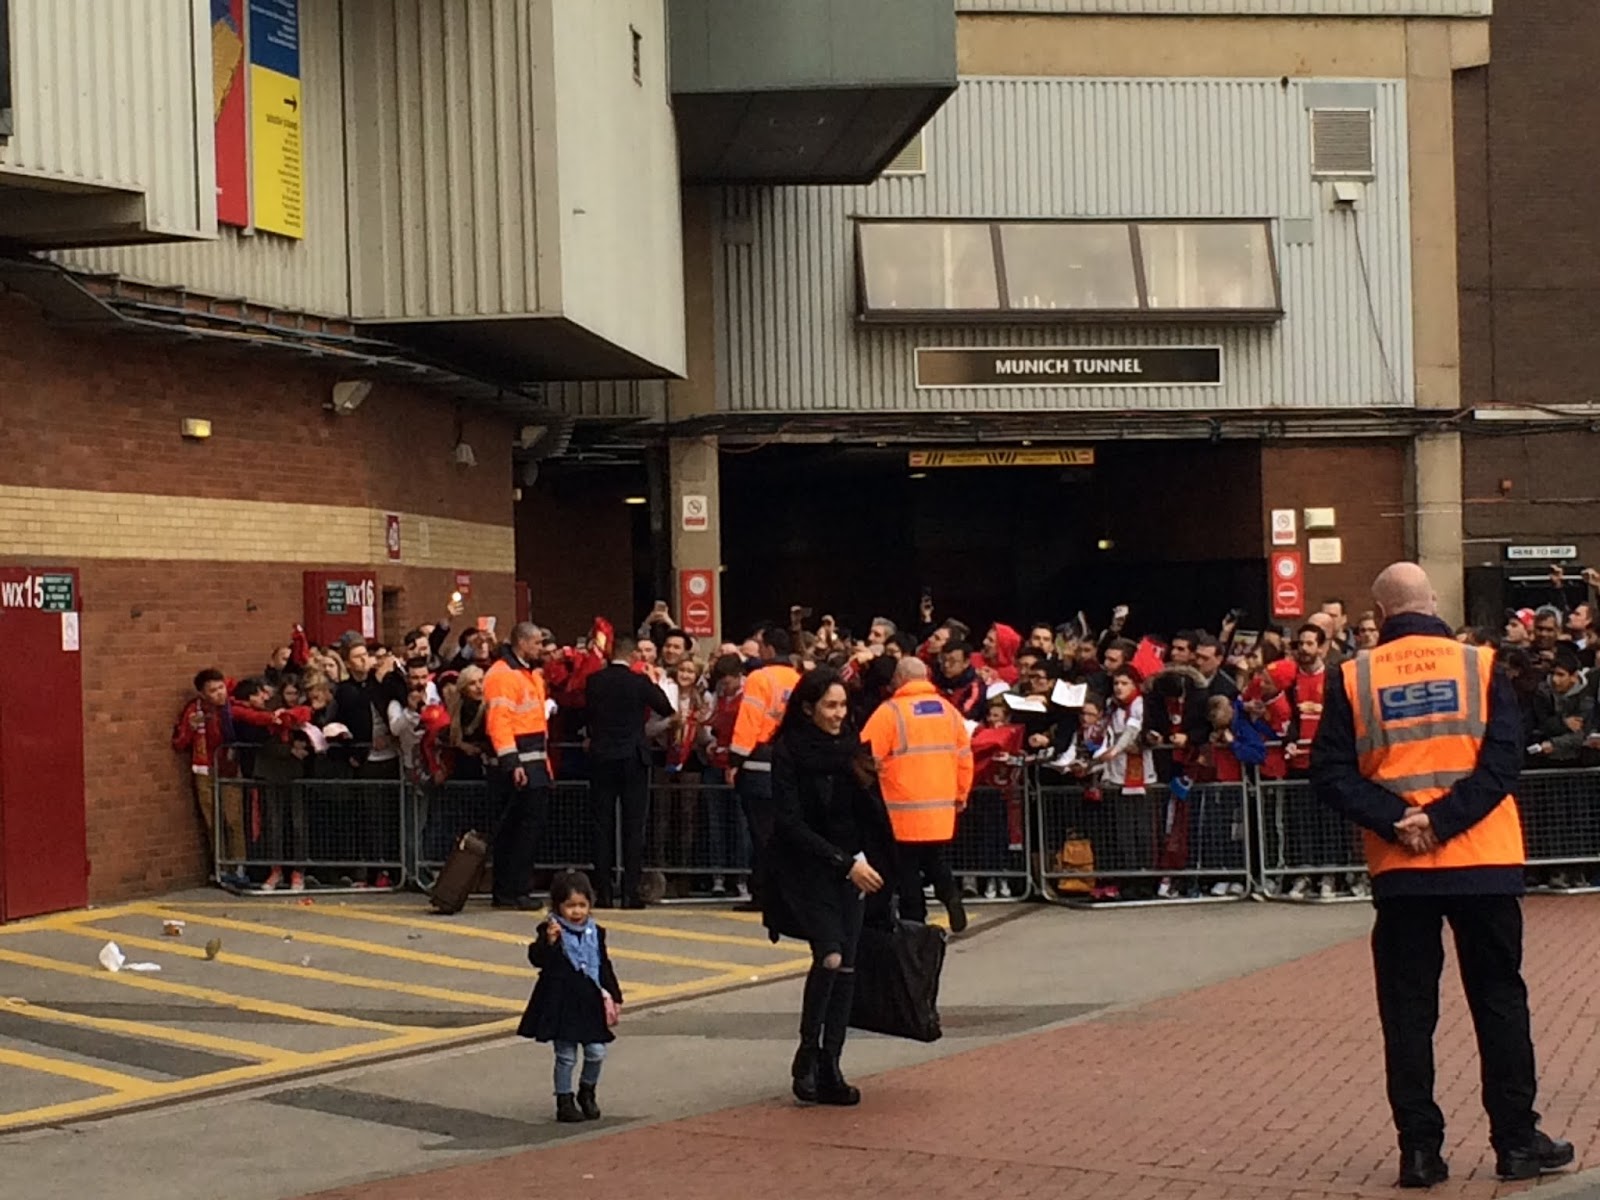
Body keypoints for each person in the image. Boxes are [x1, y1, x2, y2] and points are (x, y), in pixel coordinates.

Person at [1311, 561, 1574, 1188]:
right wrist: (1446, 821)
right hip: (1483, 861)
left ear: (1378, 616)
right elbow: (1503, 763)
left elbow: (1329, 773)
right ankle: (1515, 1143)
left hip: (1402, 870)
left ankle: (1420, 1152)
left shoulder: (1352, 676)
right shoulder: (1479, 666)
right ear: (1433, 604)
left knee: (1407, 1012)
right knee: (1500, 1000)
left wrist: (1401, 819)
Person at [764, 668, 892, 1107]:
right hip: (807, 866)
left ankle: (831, 1063)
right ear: (808, 708)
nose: (840, 714)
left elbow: (870, 812)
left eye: (843, 706)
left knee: (850, 965)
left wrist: (878, 864)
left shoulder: (851, 749)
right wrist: (841, 863)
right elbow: (789, 822)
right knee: (831, 956)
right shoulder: (788, 752)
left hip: (852, 864)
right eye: (830, 706)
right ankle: (807, 1051)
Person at [861, 657, 973, 932]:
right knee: (935, 859)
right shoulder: (949, 711)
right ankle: (951, 896)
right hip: (940, 806)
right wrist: (960, 794)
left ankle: (915, 921)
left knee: (907, 868)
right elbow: (964, 758)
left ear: (899, 679)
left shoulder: (890, 712)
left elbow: (864, 755)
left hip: (902, 808)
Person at [518, 870, 623, 1124]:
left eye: (582, 905)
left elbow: (603, 963)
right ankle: (564, 1100)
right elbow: (537, 959)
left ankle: (588, 1091)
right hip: (561, 1002)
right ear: (558, 906)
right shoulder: (551, 930)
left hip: (589, 1000)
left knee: (596, 1051)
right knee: (566, 1055)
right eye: (570, 906)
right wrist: (550, 943)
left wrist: (615, 994)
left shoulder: (595, 933)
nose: (576, 912)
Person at [585, 635, 674, 908]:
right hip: (633, 757)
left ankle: (603, 892)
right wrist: (650, 678)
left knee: (602, 825)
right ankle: (630, 893)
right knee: (634, 826)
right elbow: (665, 708)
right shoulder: (639, 682)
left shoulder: (595, 681)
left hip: (601, 756)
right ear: (634, 654)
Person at [728, 627, 802, 910]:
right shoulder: (798, 679)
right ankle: (785, 894)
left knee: (761, 835)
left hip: (759, 762)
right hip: (789, 763)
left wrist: (735, 761)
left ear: (769, 649)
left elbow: (749, 721)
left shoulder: (760, 678)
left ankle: (765, 895)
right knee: (784, 833)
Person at [484, 622, 553, 910]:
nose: (541, 648)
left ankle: (512, 889)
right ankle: (512, 890)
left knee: (525, 830)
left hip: (533, 761)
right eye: (537, 643)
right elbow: (499, 722)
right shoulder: (504, 675)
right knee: (518, 831)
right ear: (522, 643)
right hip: (521, 764)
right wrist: (512, 763)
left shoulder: (527, 674)